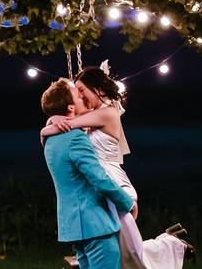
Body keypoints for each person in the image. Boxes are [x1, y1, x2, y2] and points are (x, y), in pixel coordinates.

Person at [41, 65, 194, 269]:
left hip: (114, 185)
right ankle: (173, 244)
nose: (80, 96)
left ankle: (174, 245)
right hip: (102, 196)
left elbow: (70, 124)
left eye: (82, 90)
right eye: (76, 93)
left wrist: (49, 124)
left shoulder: (107, 114)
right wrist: (56, 118)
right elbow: (93, 169)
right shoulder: (79, 131)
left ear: (97, 89)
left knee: (132, 254)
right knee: (130, 254)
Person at [41, 77, 137, 269]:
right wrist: (127, 203)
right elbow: (99, 179)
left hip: (73, 226)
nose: (81, 97)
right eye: (77, 95)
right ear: (70, 107)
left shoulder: (49, 140)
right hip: (95, 224)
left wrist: (52, 119)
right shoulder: (76, 138)